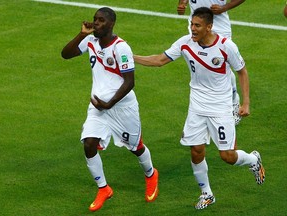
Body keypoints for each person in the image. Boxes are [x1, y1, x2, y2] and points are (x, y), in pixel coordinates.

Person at [134, 7, 265, 210]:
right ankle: (207, 193)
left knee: (227, 156)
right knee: (196, 151)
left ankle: (253, 159)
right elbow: (160, 60)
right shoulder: (185, 43)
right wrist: (131, 57)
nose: (192, 29)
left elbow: (242, 72)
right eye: (191, 24)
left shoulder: (225, 46)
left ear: (209, 27)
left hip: (220, 108)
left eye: (197, 26)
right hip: (196, 106)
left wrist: (245, 102)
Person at [61, 7, 158, 212]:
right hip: (98, 106)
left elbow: (129, 82)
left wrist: (110, 103)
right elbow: (65, 54)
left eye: (101, 20)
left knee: (135, 146)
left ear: (111, 24)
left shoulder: (121, 48)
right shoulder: (90, 42)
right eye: (95, 19)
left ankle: (151, 174)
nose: (96, 23)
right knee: (88, 144)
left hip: (122, 107)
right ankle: (104, 188)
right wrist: (81, 34)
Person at [177, 0, 245, 125]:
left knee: (224, 67)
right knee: (203, 64)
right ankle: (205, 105)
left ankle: (233, 101)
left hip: (220, 28)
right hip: (197, 26)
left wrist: (224, 7)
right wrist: (183, 3)